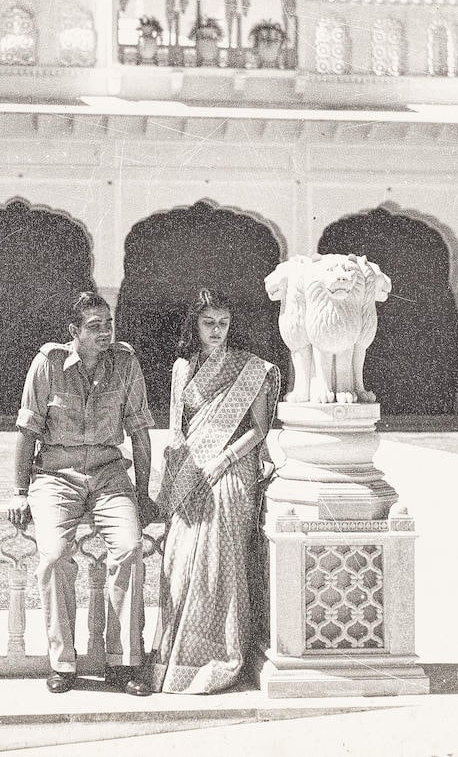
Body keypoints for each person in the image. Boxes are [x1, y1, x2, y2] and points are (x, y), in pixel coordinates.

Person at [7, 291, 159, 696]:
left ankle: (123, 662)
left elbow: (140, 433)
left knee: (129, 549)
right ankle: (63, 663)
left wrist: (142, 493)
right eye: (94, 326)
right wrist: (21, 491)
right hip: (56, 474)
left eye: (108, 324)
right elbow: (27, 430)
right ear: (73, 332)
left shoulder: (125, 363)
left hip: (109, 473)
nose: (104, 332)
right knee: (55, 556)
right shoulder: (48, 364)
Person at [152, 288, 280, 694]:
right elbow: (177, 431)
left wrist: (221, 462)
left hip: (231, 467)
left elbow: (258, 430)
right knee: (179, 558)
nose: (217, 331)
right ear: (195, 324)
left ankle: (218, 658)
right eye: (209, 323)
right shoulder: (181, 368)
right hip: (192, 469)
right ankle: (176, 661)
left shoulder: (250, 369)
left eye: (223, 323)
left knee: (214, 555)